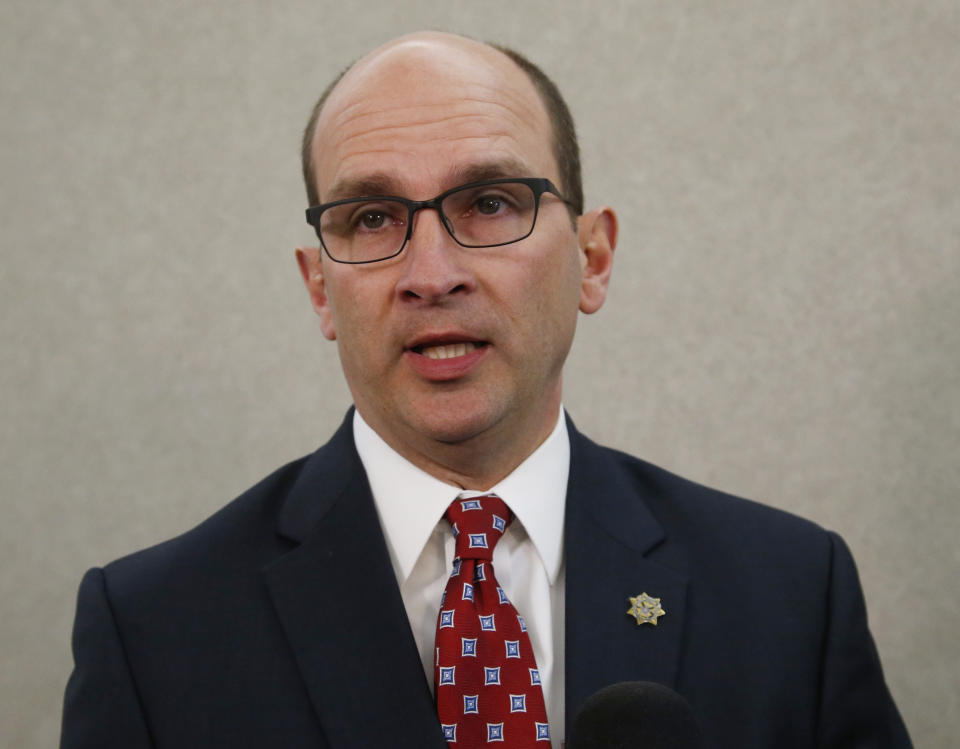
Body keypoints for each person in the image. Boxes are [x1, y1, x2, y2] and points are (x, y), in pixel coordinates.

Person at [60, 31, 912, 749]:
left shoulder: (793, 595)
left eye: (493, 202)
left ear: (593, 257)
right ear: (321, 288)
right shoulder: (151, 630)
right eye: (370, 218)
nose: (431, 274)